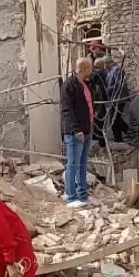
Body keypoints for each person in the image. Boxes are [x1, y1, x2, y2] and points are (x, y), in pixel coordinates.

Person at [60, 58, 94, 208]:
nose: (92, 71)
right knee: (73, 164)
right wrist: (76, 129)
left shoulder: (84, 84)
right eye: (90, 68)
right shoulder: (69, 85)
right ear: (85, 68)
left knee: (82, 164)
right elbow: (66, 110)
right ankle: (70, 196)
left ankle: (82, 195)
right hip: (76, 132)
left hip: (87, 129)